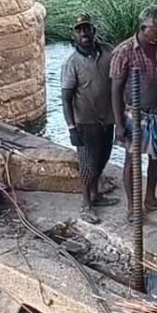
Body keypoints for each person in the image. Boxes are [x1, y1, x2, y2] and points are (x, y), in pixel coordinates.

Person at [110, 5, 157, 220]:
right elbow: (115, 88)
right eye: (156, 30)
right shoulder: (124, 51)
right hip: (134, 113)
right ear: (143, 27)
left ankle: (150, 197)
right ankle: (133, 207)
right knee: (132, 160)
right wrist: (119, 123)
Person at [61, 14, 118, 223]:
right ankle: (86, 205)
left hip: (107, 119)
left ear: (93, 31)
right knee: (87, 166)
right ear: (74, 35)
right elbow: (66, 98)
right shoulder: (72, 63)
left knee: (102, 159)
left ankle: (95, 195)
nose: (84, 33)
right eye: (79, 30)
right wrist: (71, 128)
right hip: (85, 122)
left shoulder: (108, 52)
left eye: (87, 29)